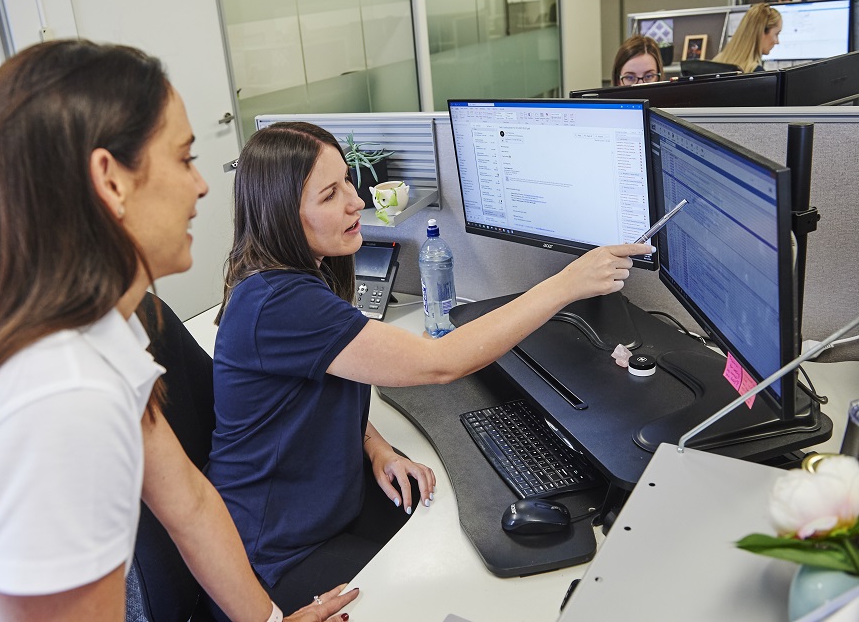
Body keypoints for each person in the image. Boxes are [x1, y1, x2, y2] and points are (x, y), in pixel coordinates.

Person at [0, 40, 355, 622]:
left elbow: (191, 504)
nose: (201, 186)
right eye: (184, 158)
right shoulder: (61, 396)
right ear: (111, 181)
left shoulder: (98, 329)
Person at [208, 121, 652, 613]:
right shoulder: (279, 302)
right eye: (330, 195)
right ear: (281, 215)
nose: (356, 203)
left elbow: (316, 392)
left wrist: (375, 449)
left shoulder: (298, 278)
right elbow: (442, 363)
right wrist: (567, 282)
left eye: (348, 182)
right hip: (274, 555)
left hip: (323, 511)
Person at [713, 3, 782, 74]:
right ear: (761, 33)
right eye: (776, 34)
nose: (777, 41)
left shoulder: (717, 62)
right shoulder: (756, 73)